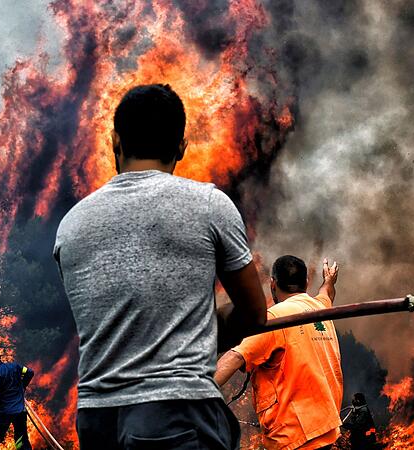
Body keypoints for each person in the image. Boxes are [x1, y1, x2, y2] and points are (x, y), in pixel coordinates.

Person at [54, 83, 268, 450]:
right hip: (177, 412)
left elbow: (108, 317)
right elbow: (255, 314)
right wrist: (203, 329)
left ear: (115, 141)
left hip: (96, 419)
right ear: (181, 146)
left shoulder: (71, 225)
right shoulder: (209, 205)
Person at [215, 256, 343, 449]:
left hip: (294, 436)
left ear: (273, 284)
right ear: (306, 282)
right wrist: (328, 280)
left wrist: (191, 394)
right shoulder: (320, 308)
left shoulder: (273, 319)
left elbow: (235, 357)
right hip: (326, 429)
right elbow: (327, 294)